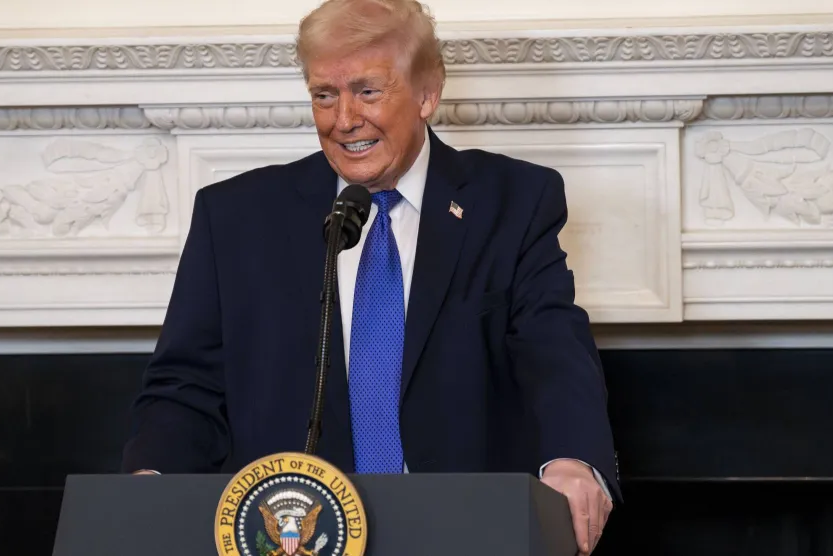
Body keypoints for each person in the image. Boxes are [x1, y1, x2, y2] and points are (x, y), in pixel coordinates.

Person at [120, 0, 620, 552]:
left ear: (428, 93)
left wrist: (574, 460)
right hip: (298, 536)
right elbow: (186, 385)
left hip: (465, 533)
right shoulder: (236, 217)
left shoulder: (514, 201)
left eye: (368, 91)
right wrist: (152, 482)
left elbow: (554, 348)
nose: (344, 120)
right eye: (324, 95)